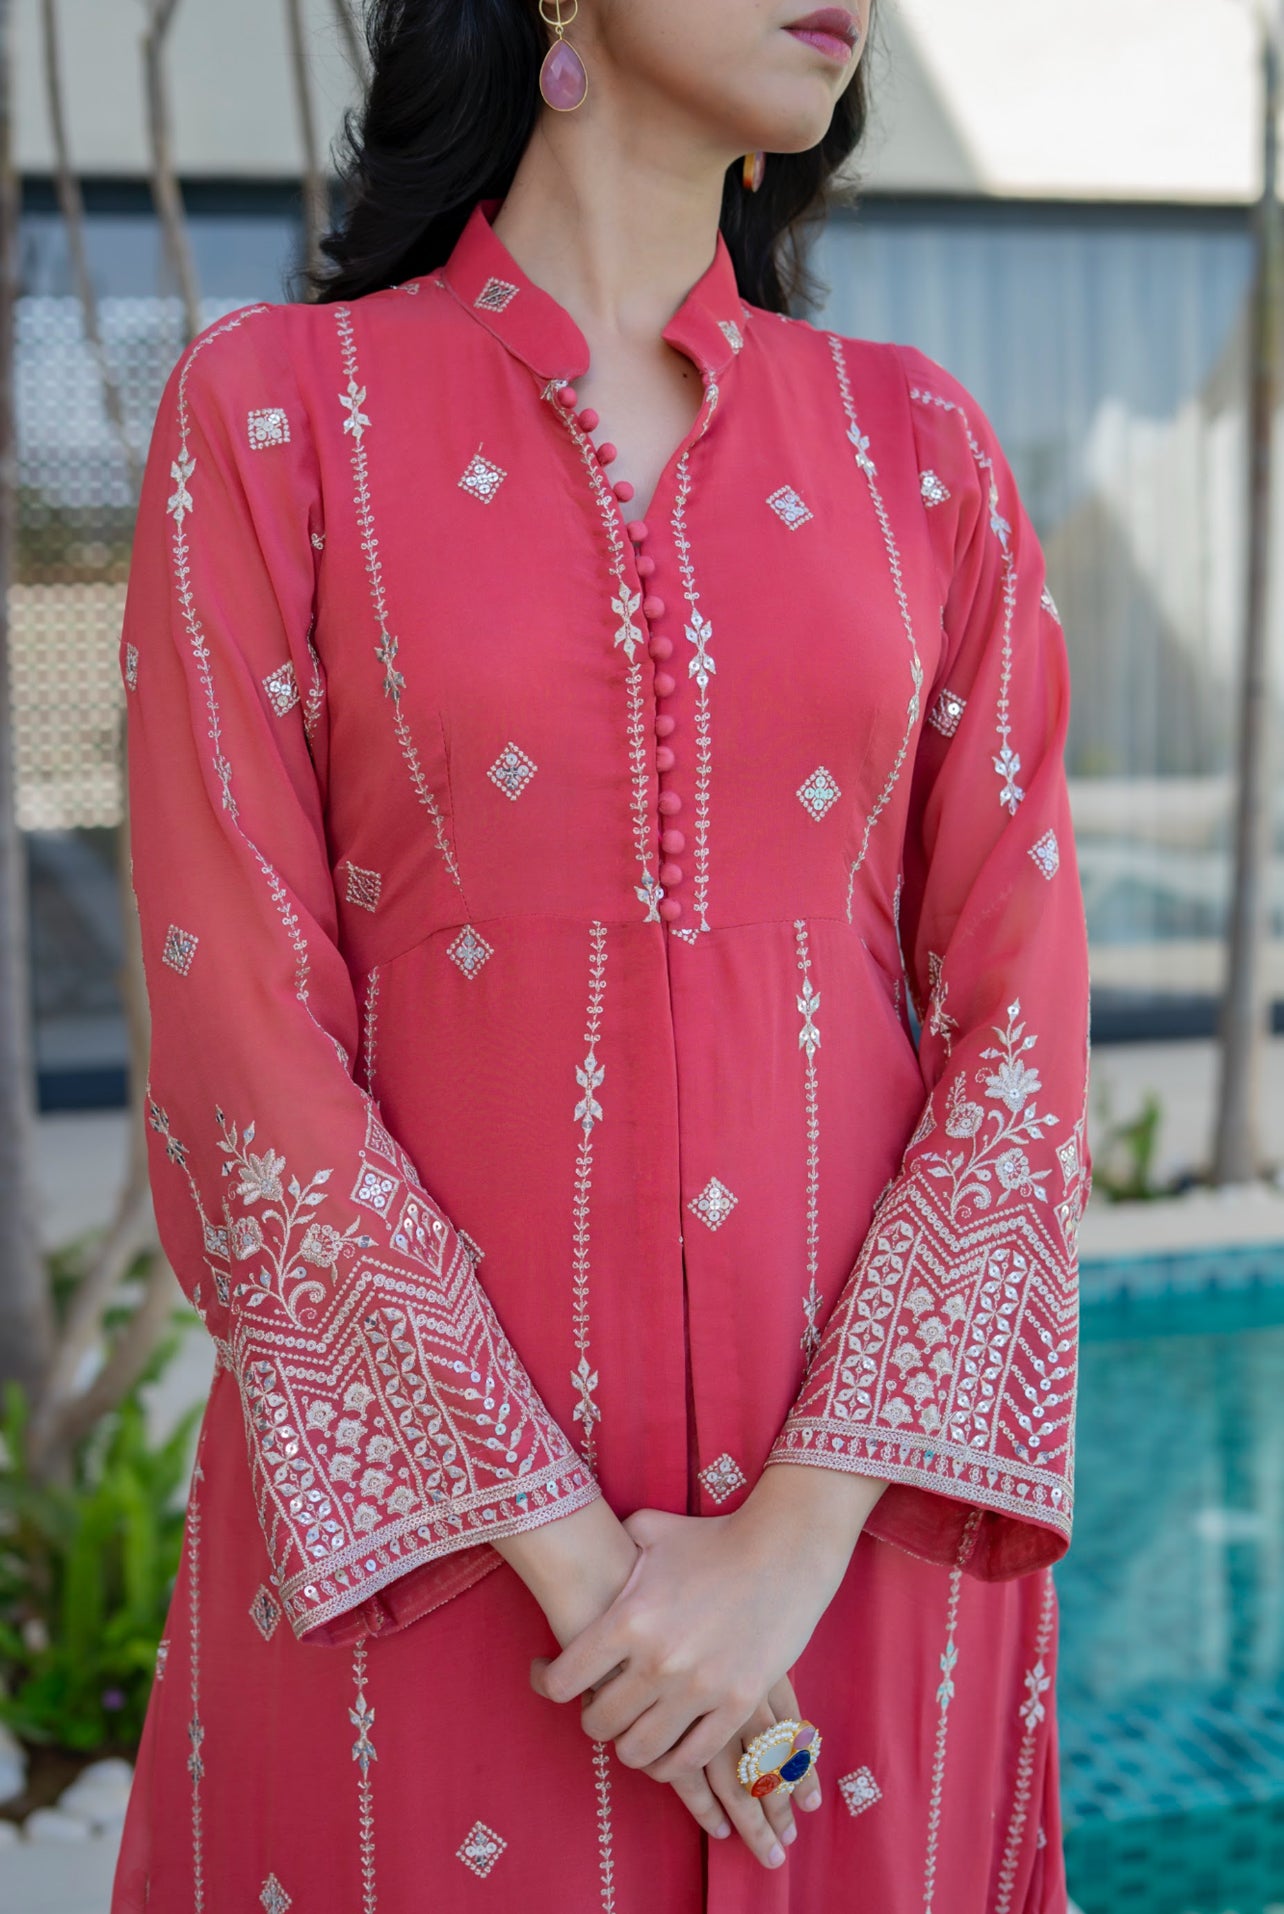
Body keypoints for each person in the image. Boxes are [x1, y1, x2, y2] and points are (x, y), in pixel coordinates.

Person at [109, 1, 1093, 1908]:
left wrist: (787, 1546)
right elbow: (240, 1026)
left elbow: (1022, 1018)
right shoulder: (274, 415)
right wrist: (601, 1585)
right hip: (435, 1579)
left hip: (852, 1569)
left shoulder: (922, 451)